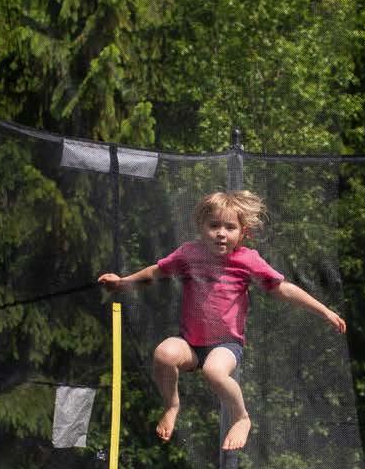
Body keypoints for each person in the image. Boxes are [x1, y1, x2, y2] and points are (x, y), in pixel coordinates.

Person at [97, 190, 346, 451]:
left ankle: (241, 417)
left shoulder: (247, 260)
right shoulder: (188, 254)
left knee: (214, 371)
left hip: (226, 344)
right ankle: (172, 405)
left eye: (230, 227)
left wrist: (325, 311)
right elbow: (155, 272)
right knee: (164, 354)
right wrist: (122, 282)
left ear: (243, 232)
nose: (221, 233)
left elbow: (283, 289)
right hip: (190, 344)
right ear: (201, 227)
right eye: (214, 226)